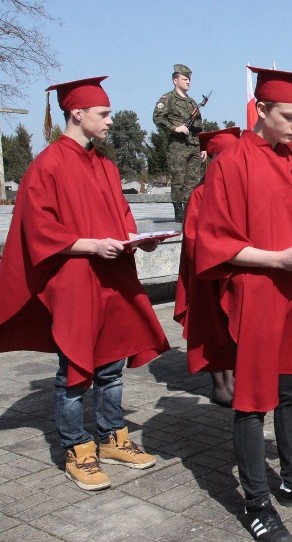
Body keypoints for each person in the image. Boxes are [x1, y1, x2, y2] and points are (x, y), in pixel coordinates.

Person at [194, 66, 292, 542]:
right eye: (289, 116)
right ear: (260, 110)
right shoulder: (230, 162)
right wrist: (274, 258)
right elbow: (215, 243)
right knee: (252, 399)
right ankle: (256, 500)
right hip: (258, 293)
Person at [0, 76, 169, 491]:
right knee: (74, 370)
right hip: (74, 279)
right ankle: (77, 448)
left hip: (111, 277)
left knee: (112, 365)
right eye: (104, 113)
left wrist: (139, 242)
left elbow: (122, 220)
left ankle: (112, 437)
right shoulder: (48, 166)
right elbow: (37, 231)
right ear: (77, 113)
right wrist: (91, 244)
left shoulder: (107, 166)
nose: (110, 121)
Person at [174, 127, 241, 407]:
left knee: (233, 328)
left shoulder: (239, 190)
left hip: (234, 271)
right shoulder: (201, 194)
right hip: (209, 275)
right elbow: (192, 238)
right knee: (213, 330)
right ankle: (219, 386)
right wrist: (223, 255)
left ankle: (235, 381)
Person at [153, 64, 205, 223]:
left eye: (189, 79)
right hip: (178, 146)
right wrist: (175, 128)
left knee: (193, 180)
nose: (188, 81)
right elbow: (158, 118)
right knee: (178, 179)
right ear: (175, 80)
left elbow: (200, 125)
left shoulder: (192, 102)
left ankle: (190, 208)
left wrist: (204, 146)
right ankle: (179, 211)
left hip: (195, 145)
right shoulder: (167, 98)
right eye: (185, 79)